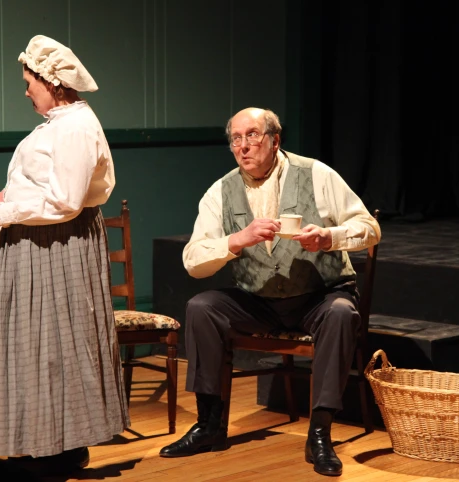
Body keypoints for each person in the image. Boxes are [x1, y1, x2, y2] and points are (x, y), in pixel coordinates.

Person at [159, 107, 381, 476]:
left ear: (275, 140)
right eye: (236, 139)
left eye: (252, 136)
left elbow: (369, 227)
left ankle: (320, 433)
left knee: (342, 312)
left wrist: (330, 237)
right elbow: (193, 260)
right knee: (202, 307)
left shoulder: (316, 174)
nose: (243, 146)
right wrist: (235, 241)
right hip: (259, 300)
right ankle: (209, 424)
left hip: (319, 295)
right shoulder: (221, 190)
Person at [0, 34, 129, 475]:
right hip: (38, 242)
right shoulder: (59, 123)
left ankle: (61, 448)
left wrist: (7, 210)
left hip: (57, 245)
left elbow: (65, 201)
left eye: (30, 82)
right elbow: (47, 181)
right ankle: (39, 440)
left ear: (53, 81)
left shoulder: (76, 127)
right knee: (35, 343)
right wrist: (10, 194)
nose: (25, 91)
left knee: (56, 346)